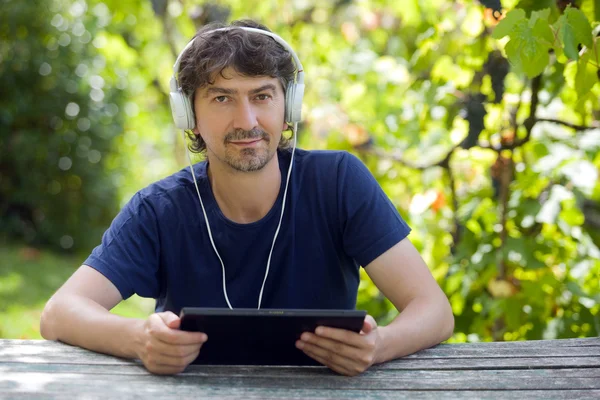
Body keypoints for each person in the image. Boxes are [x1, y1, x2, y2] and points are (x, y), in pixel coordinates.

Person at [40, 19, 454, 376]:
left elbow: (433, 309)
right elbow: (60, 312)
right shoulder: (159, 208)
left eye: (262, 95)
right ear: (190, 116)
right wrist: (136, 338)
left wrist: (379, 346)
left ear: (288, 104)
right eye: (222, 98)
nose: (247, 120)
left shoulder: (338, 182)